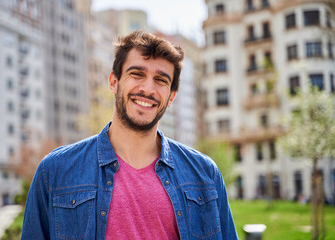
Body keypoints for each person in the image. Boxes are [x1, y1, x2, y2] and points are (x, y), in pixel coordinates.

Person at [22, 31, 238, 240]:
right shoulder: (55, 171)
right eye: (137, 74)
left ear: (171, 97)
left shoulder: (205, 174)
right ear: (114, 82)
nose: (148, 88)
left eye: (161, 80)